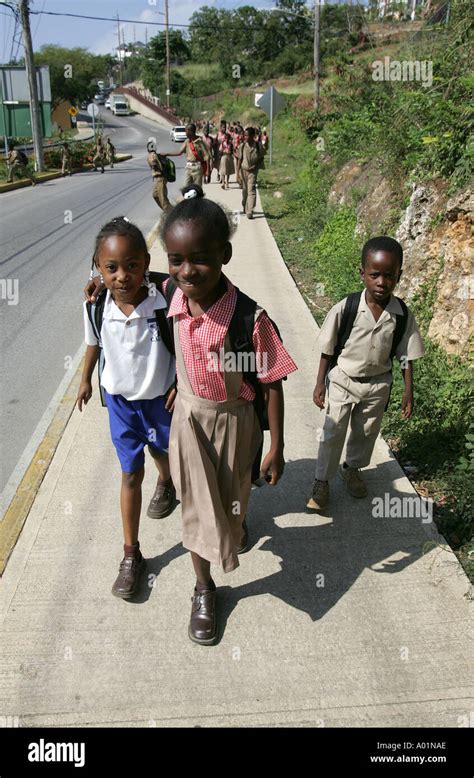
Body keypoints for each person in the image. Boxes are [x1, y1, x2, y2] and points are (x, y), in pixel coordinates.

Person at [161, 184, 297, 644]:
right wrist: (100, 284)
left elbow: (272, 381)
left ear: (225, 254)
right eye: (176, 259)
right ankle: (203, 588)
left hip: (237, 424)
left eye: (199, 258)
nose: (186, 270)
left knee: (234, 498)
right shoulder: (171, 295)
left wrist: (276, 445)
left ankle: (236, 526)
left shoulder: (247, 318)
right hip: (189, 421)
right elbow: (132, 280)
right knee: (196, 508)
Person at [77, 217, 177, 598]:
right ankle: (132, 554)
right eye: (111, 268)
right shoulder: (96, 305)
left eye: (133, 265)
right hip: (120, 405)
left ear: (146, 263)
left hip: (160, 402)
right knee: (130, 474)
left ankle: (167, 483)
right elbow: (93, 344)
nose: (122, 276)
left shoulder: (163, 299)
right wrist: (85, 380)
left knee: (165, 452)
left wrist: (181, 382)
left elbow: (183, 345)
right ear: (98, 268)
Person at [307, 236, 424, 511]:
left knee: (367, 431)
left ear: (399, 276)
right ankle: (322, 481)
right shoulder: (346, 308)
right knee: (332, 431)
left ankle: (352, 468)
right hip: (344, 381)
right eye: (374, 275)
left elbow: (405, 354)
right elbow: (328, 348)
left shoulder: (402, 315)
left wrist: (409, 389)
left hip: (378, 385)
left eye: (389, 276)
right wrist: (319, 383)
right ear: (362, 274)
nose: (381, 282)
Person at [235, 127, 266, 219]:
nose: (245, 137)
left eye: (247, 135)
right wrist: (237, 174)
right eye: (244, 135)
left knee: (251, 190)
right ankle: (245, 204)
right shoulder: (242, 146)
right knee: (245, 191)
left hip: (253, 171)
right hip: (243, 171)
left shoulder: (258, 146)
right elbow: (239, 160)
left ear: (253, 136)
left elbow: (261, 158)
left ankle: (250, 211)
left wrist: (255, 166)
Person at [146, 141, 172, 213]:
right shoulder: (155, 155)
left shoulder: (152, 155)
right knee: (155, 195)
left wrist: (154, 164)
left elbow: (153, 163)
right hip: (157, 178)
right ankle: (168, 210)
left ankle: (170, 213)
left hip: (160, 178)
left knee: (163, 199)